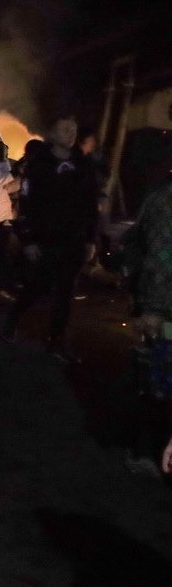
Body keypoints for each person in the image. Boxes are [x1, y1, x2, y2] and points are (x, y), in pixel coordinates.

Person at [3, 118, 99, 362]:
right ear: (52, 133)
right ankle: (12, 318)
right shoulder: (39, 166)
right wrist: (29, 240)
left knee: (66, 291)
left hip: (73, 239)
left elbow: (90, 205)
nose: (69, 133)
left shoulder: (83, 166)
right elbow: (27, 204)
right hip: (45, 238)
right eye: (64, 129)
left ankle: (56, 341)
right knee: (39, 286)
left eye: (73, 130)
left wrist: (90, 239)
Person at [121, 172, 172, 473]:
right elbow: (161, 257)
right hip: (164, 307)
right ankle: (142, 450)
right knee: (158, 380)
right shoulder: (167, 198)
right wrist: (152, 308)